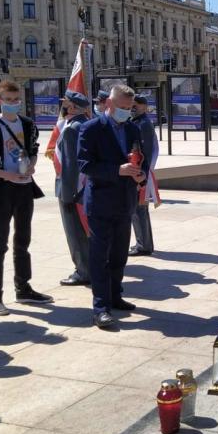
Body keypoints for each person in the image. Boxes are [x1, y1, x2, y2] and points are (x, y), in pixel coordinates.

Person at [0, 80, 52, 316]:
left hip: (24, 187)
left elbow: (34, 150)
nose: (14, 104)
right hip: (1, 189)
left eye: (16, 100)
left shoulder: (27, 124)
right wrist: (4, 174)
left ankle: (23, 287)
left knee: (23, 240)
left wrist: (32, 166)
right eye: (8, 100)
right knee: (0, 244)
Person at [78, 85, 149, 329]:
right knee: (100, 256)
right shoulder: (90, 129)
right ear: (109, 104)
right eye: (122, 108)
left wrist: (142, 177)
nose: (126, 112)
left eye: (130, 109)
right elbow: (85, 165)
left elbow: (142, 159)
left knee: (119, 254)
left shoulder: (132, 128)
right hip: (100, 202)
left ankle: (116, 296)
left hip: (125, 201)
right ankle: (100, 308)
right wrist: (117, 171)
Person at [56, 90, 91, 286]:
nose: (63, 105)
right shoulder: (84, 123)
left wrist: (68, 194)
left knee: (75, 233)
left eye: (66, 103)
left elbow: (70, 165)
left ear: (72, 106)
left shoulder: (72, 128)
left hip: (71, 189)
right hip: (84, 187)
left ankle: (83, 271)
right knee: (85, 231)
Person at [129, 95, 158, 256]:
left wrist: (143, 176)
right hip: (138, 172)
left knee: (138, 210)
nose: (134, 107)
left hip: (140, 174)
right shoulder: (137, 122)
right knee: (138, 210)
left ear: (145, 107)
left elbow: (146, 152)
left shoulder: (144, 124)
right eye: (132, 105)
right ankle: (144, 243)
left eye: (137, 105)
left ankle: (143, 245)